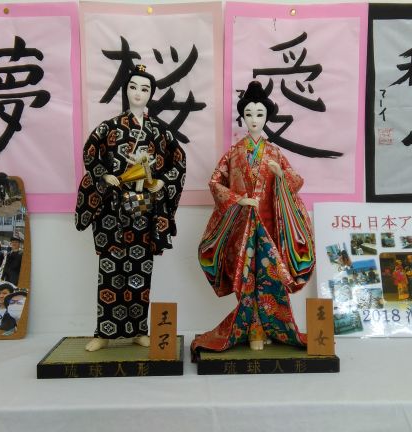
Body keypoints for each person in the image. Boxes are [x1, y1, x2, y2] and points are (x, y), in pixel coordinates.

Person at [191, 81, 315, 353]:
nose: (254, 120)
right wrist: (239, 199)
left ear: (267, 117)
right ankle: (254, 328)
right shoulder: (234, 153)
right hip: (243, 226)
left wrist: (280, 174)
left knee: (269, 277)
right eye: (249, 114)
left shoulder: (274, 153)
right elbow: (215, 182)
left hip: (269, 227)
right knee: (247, 277)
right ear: (243, 117)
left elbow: (296, 181)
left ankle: (268, 327)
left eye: (260, 114)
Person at [75, 64, 186, 352]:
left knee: (141, 269)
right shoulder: (109, 127)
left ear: (151, 94)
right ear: (126, 90)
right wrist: (103, 176)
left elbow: (178, 162)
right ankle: (104, 332)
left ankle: (138, 329)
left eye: (145, 88)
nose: (138, 93)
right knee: (110, 269)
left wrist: (162, 182)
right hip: (112, 209)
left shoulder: (159, 131)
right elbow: (90, 153)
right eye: (134, 87)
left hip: (143, 209)